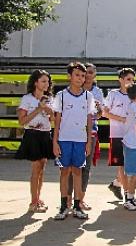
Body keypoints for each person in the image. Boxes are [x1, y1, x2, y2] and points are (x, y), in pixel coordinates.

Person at [52, 62, 95, 220]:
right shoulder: (61, 96)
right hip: (64, 139)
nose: (80, 78)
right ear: (69, 76)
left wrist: (88, 141)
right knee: (64, 172)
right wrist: (55, 141)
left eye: (83, 75)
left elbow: (90, 120)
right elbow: (57, 120)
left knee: (78, 171)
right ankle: (64, 206)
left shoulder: (88, 96)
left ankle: (77, 205)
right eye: (77, 75)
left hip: (80, 140)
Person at [16, 69, 55, 213]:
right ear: (35, 82)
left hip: (45, 134)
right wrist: (38, 109)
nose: (47, 84)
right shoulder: (27, 99)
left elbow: (54, 120)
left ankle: (38, 198)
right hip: (32, 134)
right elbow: (22, 121)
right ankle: (33, 202)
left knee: (42, 169)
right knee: (35, 168)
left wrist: (50, 112)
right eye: (43, 81)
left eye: (48, 81)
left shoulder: (50, 99)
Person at [67, 63, 103, 211]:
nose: (88, 76)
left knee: (85, 167)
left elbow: (100, 114)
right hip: (72, 132)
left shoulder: (97, 92)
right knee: (70, 167)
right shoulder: (71, 92)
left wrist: (98, 109)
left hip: (91, 132)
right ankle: (67, 199)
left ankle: (80, 199)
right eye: (85, 72)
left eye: (91, 73)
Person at [104, 68, 135, 201]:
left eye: (133, 79)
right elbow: (105, 113)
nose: (131, 82)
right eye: (128, 79)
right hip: (117, 134)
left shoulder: (134, 95)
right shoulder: (113, 94)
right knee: (122, 164)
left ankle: (117, 183)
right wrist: (121, 119)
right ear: (120, 80)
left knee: (129, 164)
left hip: (131, 135)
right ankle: (128, 194)